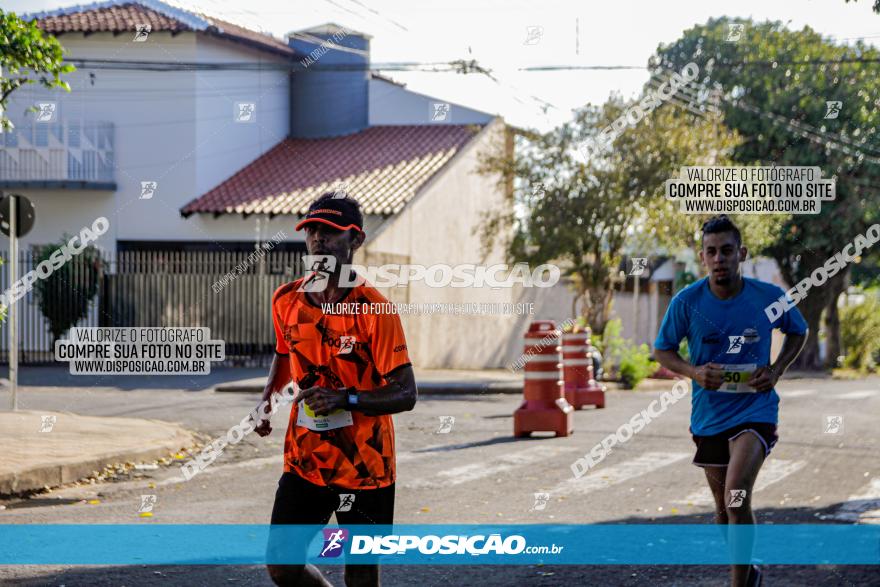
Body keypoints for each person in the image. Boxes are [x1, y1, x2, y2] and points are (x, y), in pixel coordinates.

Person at [256, 192, 418, 587]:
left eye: (331, 231)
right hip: (305, 460)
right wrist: (265, 401)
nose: (318, 239)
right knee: (282, 565)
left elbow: (405, 392)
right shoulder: (285, 300)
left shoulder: (374, 310)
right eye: (312, 230)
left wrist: (345, 398)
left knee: (361, 574)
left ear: (355, 240)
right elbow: (284, 353)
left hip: (366, 466)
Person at [653, 215, 807, 587]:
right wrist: (694, 372)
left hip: (755, 410)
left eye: (726, 250)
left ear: (741, 253)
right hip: (709, 416)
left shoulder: (767, 297)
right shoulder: (686, 302)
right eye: (711, 252)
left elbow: (798, 331)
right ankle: (748, 569)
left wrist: (776, 370)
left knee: (737, 496)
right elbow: (663, 351)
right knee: (724, 511)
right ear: (702, 257)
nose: (719, 258)